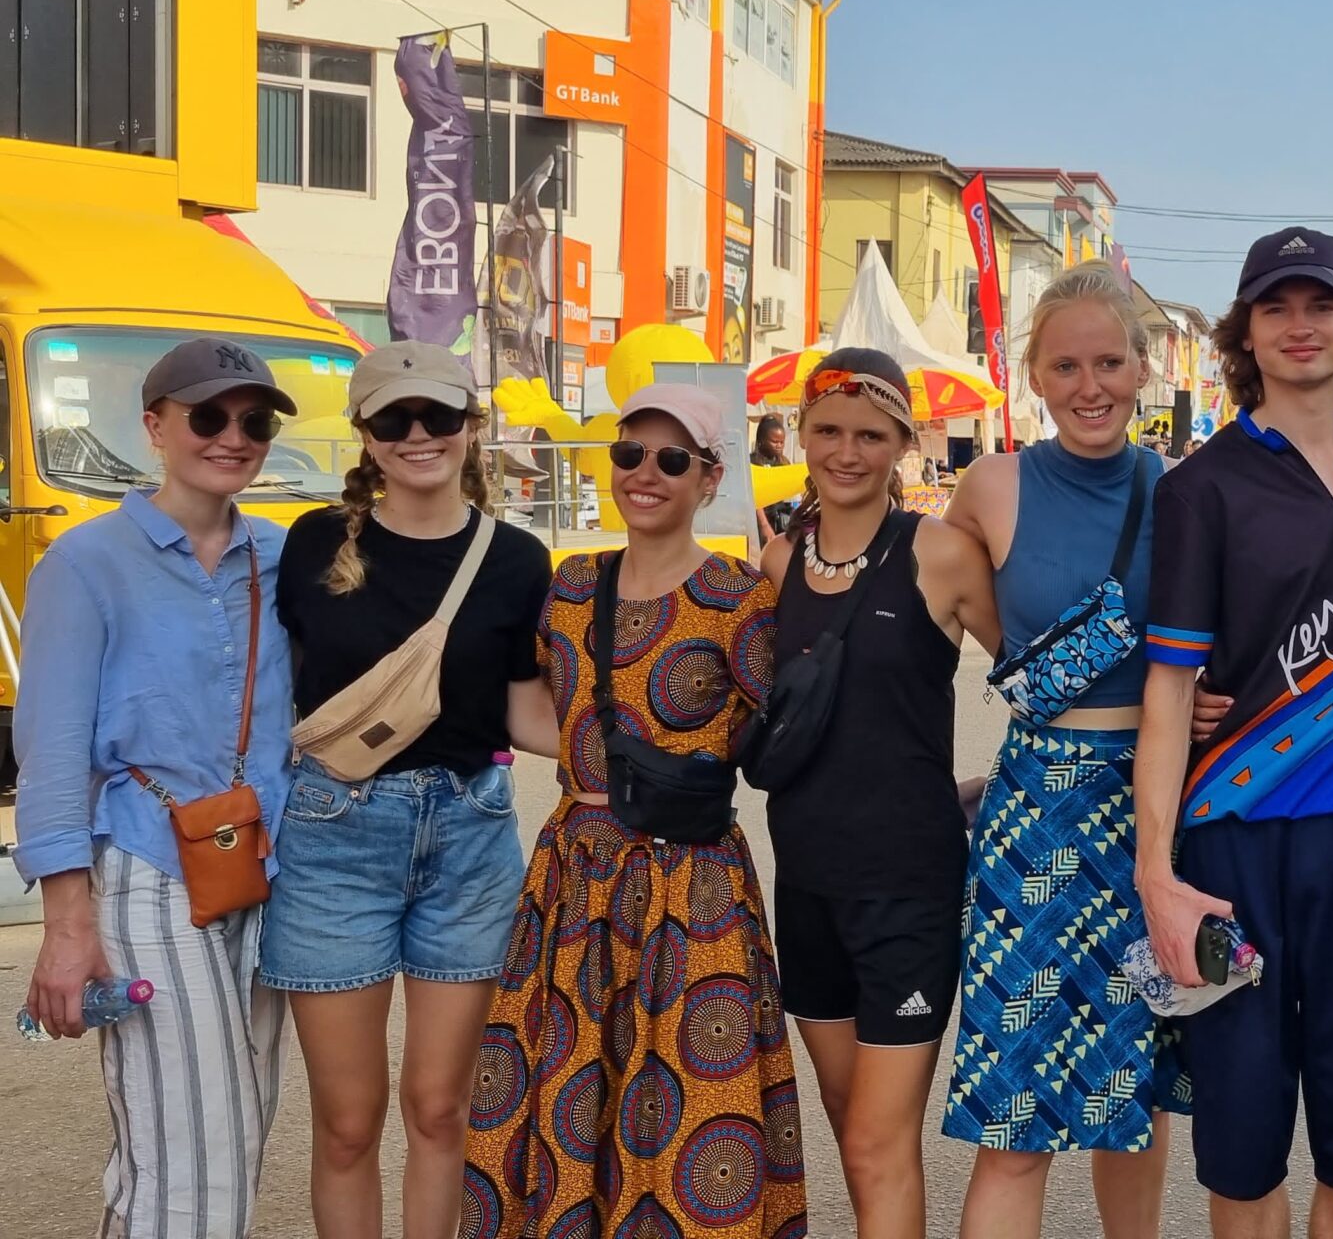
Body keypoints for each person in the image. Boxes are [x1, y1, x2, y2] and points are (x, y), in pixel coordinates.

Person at [1133, 226, 1333, 1239]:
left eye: (1321, 305)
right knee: (1241, 1140)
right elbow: (1170, 690)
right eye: (1276, 306)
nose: (1301, 325)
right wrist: (1157, 872)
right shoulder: (1199, 487)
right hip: (1234, 847)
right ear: (1245, 332)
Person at [464, 384, 806, 1237]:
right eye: (629, 455)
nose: (645, 474)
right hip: (575, 878)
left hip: (692, 889)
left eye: (671, 460)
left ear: (709, 477)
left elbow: (787, 734)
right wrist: (597, 773)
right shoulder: (574, 583)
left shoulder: (738, 596)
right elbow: (541, 709)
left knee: (690, 1106)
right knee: (568, 1096)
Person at [263, 342, 551, 1239]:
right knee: (348, 1123)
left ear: (472, 426)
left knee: (440, 1110)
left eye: (437, 416)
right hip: (332, 839)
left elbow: (525, 709)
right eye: (395, 418)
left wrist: (643, 761)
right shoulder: (314, 543)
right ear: (367, 436)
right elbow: (272, 685)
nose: (418, 435)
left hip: (467, 837)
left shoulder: (516, 558)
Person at [15, 337, 301, 1238]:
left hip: (265, 867)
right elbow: (54, 750)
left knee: (234, 1129)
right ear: (154, 425)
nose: (233, 437)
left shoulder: (285, 555)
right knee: (192, 1142)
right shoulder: (86, 561)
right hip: (148, 868)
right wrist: (66, 928)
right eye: (208, 416)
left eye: (253, 421)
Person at [937, 265, 1187, 1238]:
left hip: (1154, 813)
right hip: (1033, 815)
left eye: (1110, 363)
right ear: (1032, 376)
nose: (1092, 386)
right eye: (1067, 365)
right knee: (1016, 1113)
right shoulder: (991, 486)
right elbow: (925, 621)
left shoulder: (1183, 493)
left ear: (1142, 368)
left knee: (1135, 1105)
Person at [757, 347, 1002, 1239]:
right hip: (807, 881)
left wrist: (1013, 787)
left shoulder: (940, 555)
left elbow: (1044, 685)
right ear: (804, 434)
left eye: (870, 434)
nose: (847, 451)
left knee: (872, 1141)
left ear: (905, 441)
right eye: (827, 430)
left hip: (908, 887)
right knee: (848, 1117)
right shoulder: (780, 562)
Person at [753, 410, 797, 540]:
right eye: (774, 441)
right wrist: (764, 525)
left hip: (781, 521)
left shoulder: (784, 462)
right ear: (762, 440)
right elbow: (754, 498)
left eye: (782, 442)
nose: (779, 446)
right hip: (759, 523)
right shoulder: (754, 463)